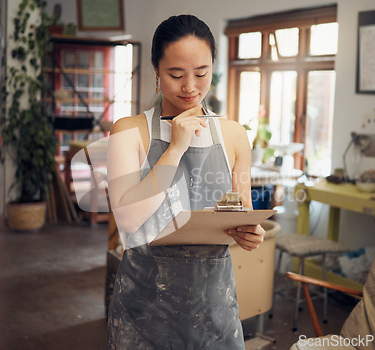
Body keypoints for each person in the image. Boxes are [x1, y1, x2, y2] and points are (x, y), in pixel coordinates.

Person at [106, 14, 265, 349]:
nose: (190, 86)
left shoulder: (234, 135)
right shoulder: (129, 131)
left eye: (202, 73)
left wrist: (249, 234)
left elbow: (240, 212)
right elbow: (129, 219)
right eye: (176, 74)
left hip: (214, 309)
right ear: (156, 71)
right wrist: (176, 147)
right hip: (143, 310)